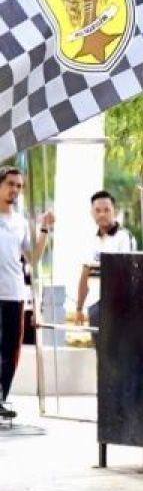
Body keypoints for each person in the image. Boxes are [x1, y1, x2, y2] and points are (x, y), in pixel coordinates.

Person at [0, 166, 52, 420]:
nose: (15, 190)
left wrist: (44, 230)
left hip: (14, 294)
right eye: (11, 184)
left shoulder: (20, 222)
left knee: (11, 350)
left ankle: (1, 398)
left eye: (19, 186)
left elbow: (33, 257)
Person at [71, 190, 136, 338]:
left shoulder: (124, 238)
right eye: (98, 210)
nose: (102, 214)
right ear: (92, 213)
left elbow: (126, 274)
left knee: (116, 355)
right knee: (101, 354)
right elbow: (84, 276)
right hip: (95, 306)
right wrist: (79, 308)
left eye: (107, 210)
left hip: (117, 306)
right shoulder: (91, 241)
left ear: (115, 211)